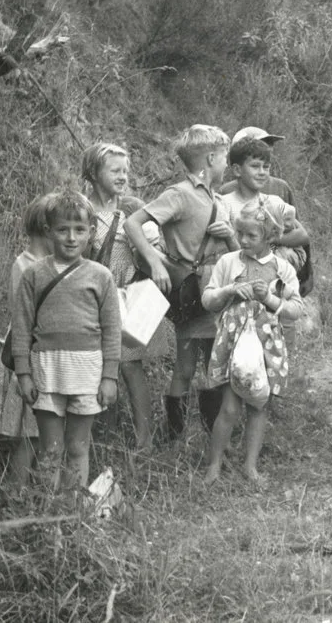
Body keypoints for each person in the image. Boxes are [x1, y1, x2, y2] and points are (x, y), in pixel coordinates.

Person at [124, 124, 238, 440]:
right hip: (193, 294)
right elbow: (134, 223)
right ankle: (185, 439)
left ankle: (203, 438)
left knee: (201, 368)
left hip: (216, 293)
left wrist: (229, 237)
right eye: (225, 157)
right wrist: (155, 263)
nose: (227, 164)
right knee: (195, 369)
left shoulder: (216, 197)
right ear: (212, 158)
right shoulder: (180, 195)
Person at [12, 190, 121, 489]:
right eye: (63, 230)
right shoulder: (33, 275)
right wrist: (24, 374)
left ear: (90, 233)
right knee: (50, 451)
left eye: (79, 230)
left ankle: (73, 514)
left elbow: (112, 330)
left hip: (87, 372)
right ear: (48, 231)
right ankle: (50, 521)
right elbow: (21, 327)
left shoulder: (101, 277)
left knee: (77, 448)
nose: (71, 238)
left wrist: (109, 376)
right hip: (46, 371)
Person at [201, 196, 305, 483]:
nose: (243, 240)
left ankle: (250, 466)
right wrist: (230, 291)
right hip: (234, 345)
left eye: (251, 235)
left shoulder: (282, 269)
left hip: (266, 344)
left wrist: (268, 297)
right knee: (230, 406)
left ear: (270, 236)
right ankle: (214, 465)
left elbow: (296, 309)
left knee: (259, 405)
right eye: (240, 233)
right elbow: (208, 298)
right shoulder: (227, 262)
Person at [81, 142, 163, 450]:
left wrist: (150, 248)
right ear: (92, 172)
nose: (122, 176)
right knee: (102, 366)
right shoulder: (82, 209)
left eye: (125, 170)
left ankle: (146, 440)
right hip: (95, 297)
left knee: (131, 364)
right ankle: (105, 437)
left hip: (131, 294)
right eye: (114, 170)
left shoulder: (131, 207)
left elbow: (154, 249)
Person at [0, 194, 51, 491]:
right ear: (47, 229)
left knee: (43, 434)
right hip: (29, 356)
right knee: (29, 436)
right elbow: (23, 315)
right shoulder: (25, 265)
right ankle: (16, 495)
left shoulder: (49, 263)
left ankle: (35, 494)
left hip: (43, 354)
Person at [220, 136, 309, 273]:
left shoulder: (274, 202)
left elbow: (303, 236)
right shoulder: (224, 204)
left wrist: (267, 239)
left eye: (266, 167)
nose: (262, 172)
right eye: (255, 166)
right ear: (237, 170)